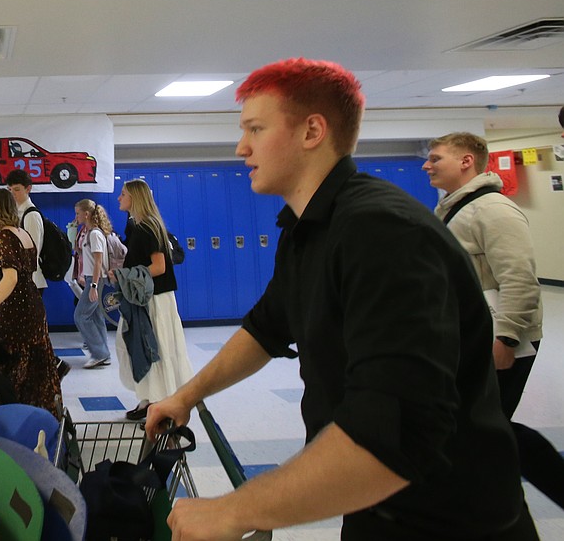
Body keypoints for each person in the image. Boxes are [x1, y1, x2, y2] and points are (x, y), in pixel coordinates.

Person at [145, 58, 536, 540]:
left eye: (255, 128)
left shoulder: (380, 231)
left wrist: (235, 510)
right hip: (370, 499)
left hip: (449, 513)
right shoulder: (307, 228)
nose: (241, 146)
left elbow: (396, 431)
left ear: (312, 131)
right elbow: (266, 329)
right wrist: (186, 395)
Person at [425, 132, 564, 508]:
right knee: (477, 430)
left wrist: (505, 340)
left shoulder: (493, 210)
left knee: (484, 430)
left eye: (436, 158)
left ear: (466, 161)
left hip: (500, 342)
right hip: (471, 339)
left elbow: (519, 278)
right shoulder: (458, 209)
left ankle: (500, 506)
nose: (427, 165)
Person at [0, 187, 63, 417]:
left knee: (8, 363)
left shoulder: (3, 236)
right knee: (35, 364)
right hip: (34, 305)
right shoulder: (23, 234)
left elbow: (12, 278)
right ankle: (35, 416)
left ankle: (8, 417)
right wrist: (3, 280)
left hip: (15, 310)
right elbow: (22, 273)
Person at [116, 180, 193, 422]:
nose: (119, 198)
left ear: (135, 198)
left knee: (151, 348)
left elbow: (158, 266)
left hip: (154, 300)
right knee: (140, 347)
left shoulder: (146, 228)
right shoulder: (143, 225)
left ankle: (159, 403)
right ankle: (149, 399)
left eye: (123, 194)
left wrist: (127, 275)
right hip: (150, 298)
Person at [5, 168, 69, 379]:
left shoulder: (31, 215)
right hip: (24, 281)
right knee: (30, 330)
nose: (13, 193)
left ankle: (53, 365)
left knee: (31, 331)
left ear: (28, 189)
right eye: (10, 189)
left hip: (31, 281)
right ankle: (48, 367)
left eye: (16, 189)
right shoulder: (19, 213)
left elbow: (31, 253)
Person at [73, 199, 112, 369]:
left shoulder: (95, 234)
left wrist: (94, 286)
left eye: (78, 213)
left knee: (80, 316)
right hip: (91, 278)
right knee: (96, 317)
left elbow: (98, 262)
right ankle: (104, 354)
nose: (76, 216)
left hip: (96, 280)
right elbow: (88, 258)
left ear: (86, 214)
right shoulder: (89, 233)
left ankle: (100, 353)